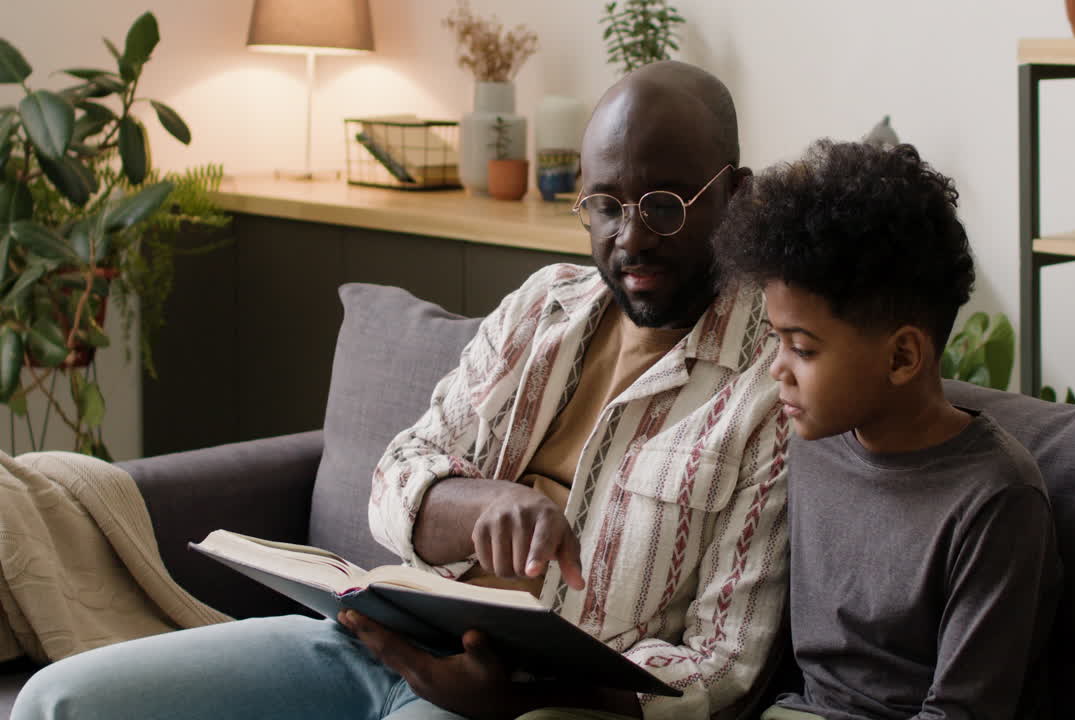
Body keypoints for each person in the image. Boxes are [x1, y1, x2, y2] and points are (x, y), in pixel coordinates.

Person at [12, 61, 789, 720]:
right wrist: (481, 503)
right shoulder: (541, 306)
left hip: (529, 703)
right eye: (606, 205)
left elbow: (722, 669)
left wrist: (522, 694)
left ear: (738, 195)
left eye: (664, 205)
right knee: (60, 699)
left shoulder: (774, 388)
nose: (631, 238)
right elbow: (397, 475)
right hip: (370, 644)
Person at [713, 139, 1062, 720]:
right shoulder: (812, 444)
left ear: (902, 357)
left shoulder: (997, 502)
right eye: (777, 340)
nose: (777, 369)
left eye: (803, 348)